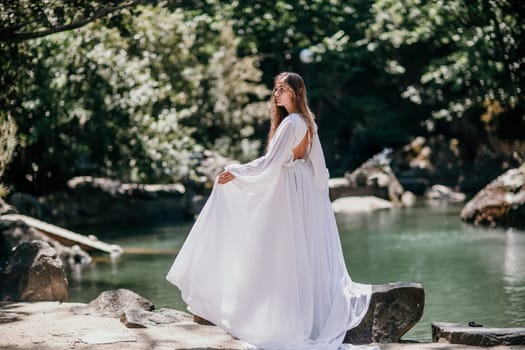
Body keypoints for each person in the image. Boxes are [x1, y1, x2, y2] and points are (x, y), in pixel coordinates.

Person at [166, 72, 371, 349]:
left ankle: (268, 315)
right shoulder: (308, 123)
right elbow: (316, 169)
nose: (277, 94)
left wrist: (235, 171)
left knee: (272, 248)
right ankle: (283, 311)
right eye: (275, 89)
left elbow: (271, 163)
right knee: (289, 251)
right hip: (297, 188)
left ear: (296, 93)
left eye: (283, 89)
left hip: (286, 188)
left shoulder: (291, 123)